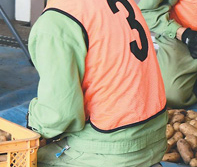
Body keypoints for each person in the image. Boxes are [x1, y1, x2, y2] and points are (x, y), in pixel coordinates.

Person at [27, 0, 167, 166]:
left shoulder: (56, 21)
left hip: (110, 148)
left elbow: (59, 115)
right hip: (154, 139)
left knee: (29, 159)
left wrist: (33, 124)